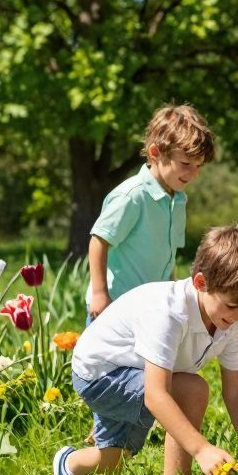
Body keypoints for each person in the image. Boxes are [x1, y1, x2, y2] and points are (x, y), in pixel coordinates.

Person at [54, 223, 238, 475]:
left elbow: (236, 393)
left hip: (133, 370)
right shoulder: (168, 313)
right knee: (193, 390)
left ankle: (68, 466)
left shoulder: (230, 319)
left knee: (117, 459)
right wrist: (201, 449)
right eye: (234, 305)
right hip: (100, 375)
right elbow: (156, 396)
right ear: (200, 283)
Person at [87, 104, 215, 320]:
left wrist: (172, 293)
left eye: (198, 166)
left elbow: (168, 255)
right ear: (155, 153)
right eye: (185, 163)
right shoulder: (132, 196)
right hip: (114, 307)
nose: (193, 173)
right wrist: (100, 295)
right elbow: (98, 241)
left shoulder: (178, 199)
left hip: (151, 309)